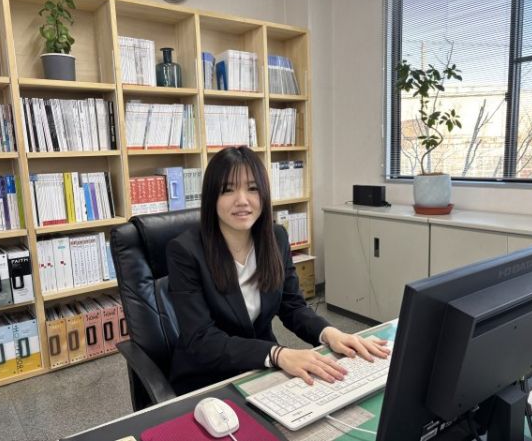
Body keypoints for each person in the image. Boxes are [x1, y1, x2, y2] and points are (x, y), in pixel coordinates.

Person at [166, 146, 390, 395]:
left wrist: (329, 333)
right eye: (228, 189)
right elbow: (201, 339)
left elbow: (292, 306)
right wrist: (277, 354)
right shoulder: (185, 251)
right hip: (208, 376)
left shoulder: (276, 238)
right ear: (212, 197)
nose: (242, 200)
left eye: (252, 188)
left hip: (262, 367)